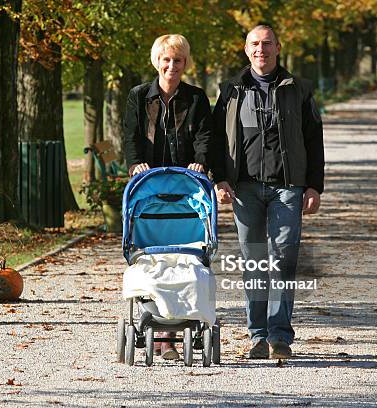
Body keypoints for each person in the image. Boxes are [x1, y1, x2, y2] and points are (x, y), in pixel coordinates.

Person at [211, 25, 324, 359]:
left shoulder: (298, 89)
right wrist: (220, 179)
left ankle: (279, 336)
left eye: (267, 44)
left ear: (278, 48)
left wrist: (314, 185)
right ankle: (257, 335)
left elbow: (314, 140)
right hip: (244, 189)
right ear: (246, 50)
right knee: (254, 261)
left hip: (287, 188)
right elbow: (217, 139)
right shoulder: (230, 89)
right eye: (254, 44)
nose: (261, 49)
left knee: (284, 260)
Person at [124, 34, 214, 360]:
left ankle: (178, 326)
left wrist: (201, 162)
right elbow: (131, 136)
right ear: (156, 62)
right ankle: (160, 332)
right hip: (149, 183)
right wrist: (135, 164)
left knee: (184, 257)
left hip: (185, 184)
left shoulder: (196, 98)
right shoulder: (138, 96)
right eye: (166, 60)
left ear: (185, 63)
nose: (171, 66)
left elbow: (205, 135)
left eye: (178, 60)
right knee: (153, 256)